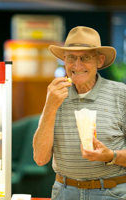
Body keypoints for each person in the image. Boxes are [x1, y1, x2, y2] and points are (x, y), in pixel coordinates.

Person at [33, 26, 126, 200]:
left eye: (85, 57)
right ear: (63, 59)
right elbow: (40, 158)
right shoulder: (55, 95)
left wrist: (110, 156)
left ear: (99, 61)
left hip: (111, 193)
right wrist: (50, 107)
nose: (77, 65)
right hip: (64, 192)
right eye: (71, 58)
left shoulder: (121, 95)